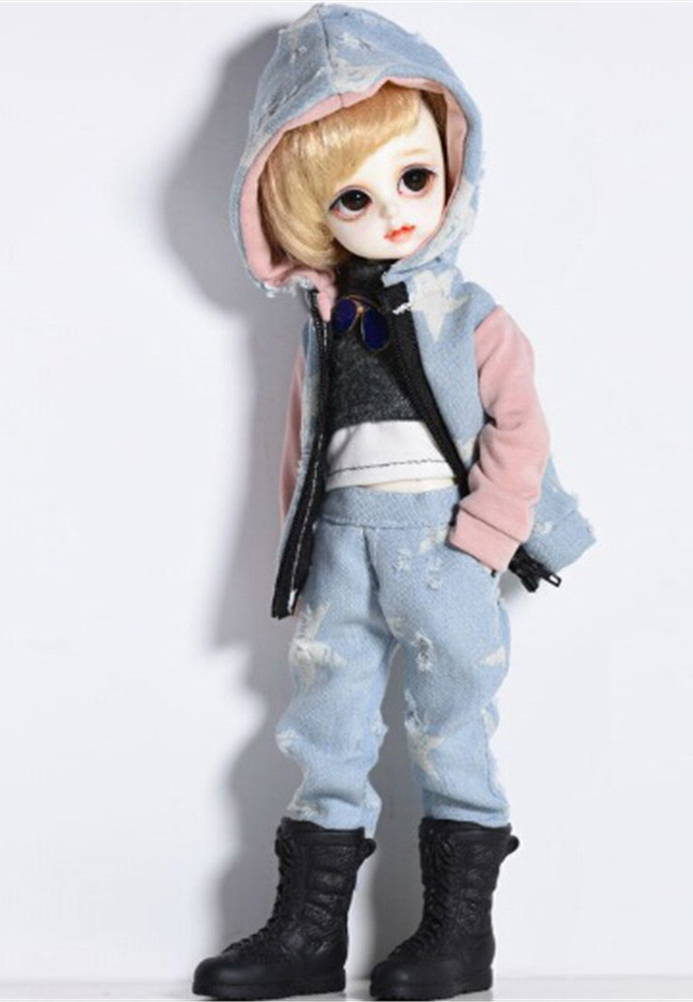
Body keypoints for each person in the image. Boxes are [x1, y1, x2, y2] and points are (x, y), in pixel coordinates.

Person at [193, 5, 595, 1000]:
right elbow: (304, 446)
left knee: (454, 726)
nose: (394, 214)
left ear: (453, 161)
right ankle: (308, 937)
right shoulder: (322, 322)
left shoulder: (473, 316)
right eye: (353, 198)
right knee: (326, 727)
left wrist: (480, 543)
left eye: (415, 178)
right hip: (340, 547)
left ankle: (459, 938)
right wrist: (301, 550)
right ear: (303, 212)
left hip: (445, 546)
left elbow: (520, 430)